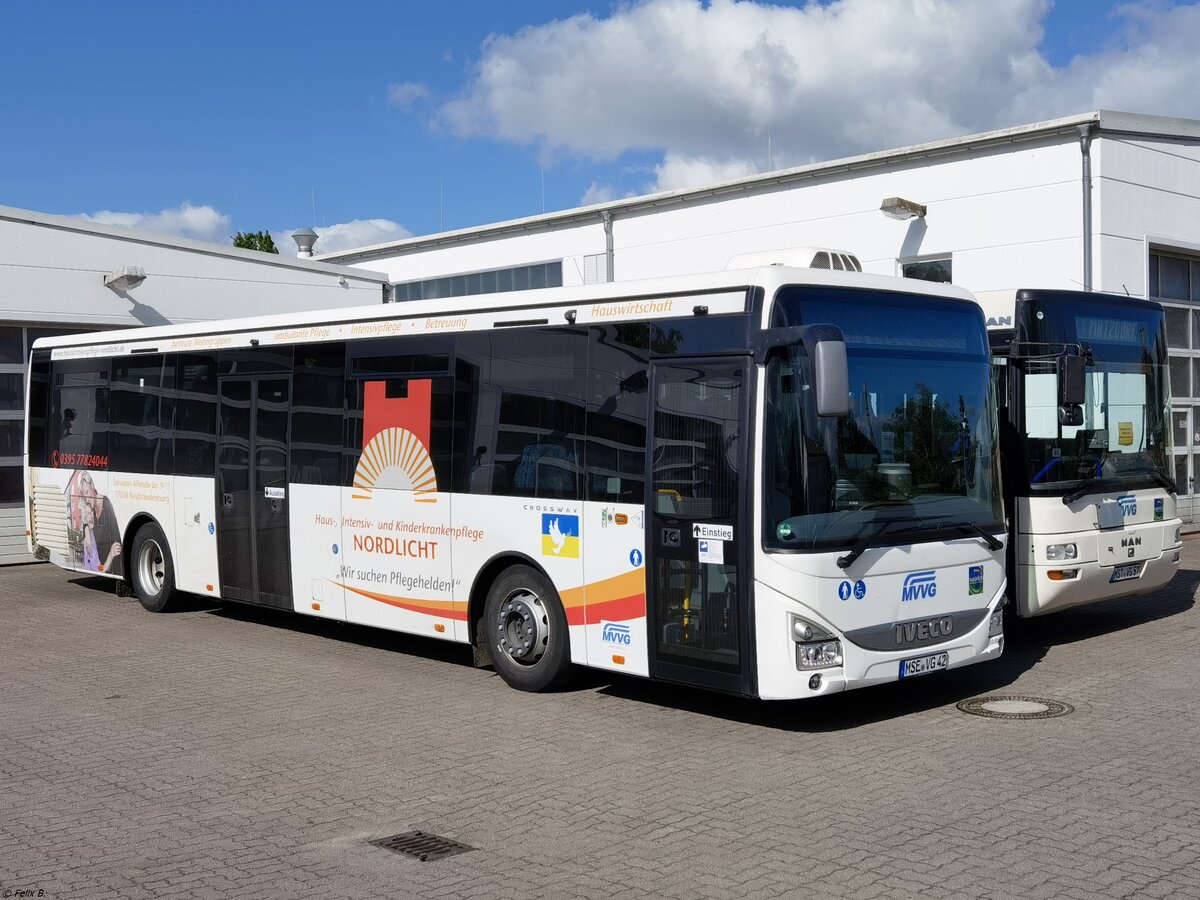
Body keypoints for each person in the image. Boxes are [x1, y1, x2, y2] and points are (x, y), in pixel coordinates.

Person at [77, 471, 122, 575]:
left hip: (113, 569)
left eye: (87, 492)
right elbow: (85, 518)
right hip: (102, 569)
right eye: (84, 496)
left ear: (92, 485)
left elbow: (117, 544)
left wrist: (110, 558)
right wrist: (86, 529)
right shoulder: (91, 510)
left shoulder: (107, 504)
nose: (87, 499)